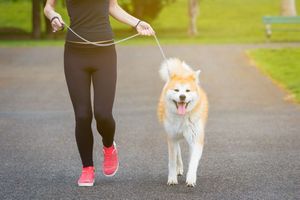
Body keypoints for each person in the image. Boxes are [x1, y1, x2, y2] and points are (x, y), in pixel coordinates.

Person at [44, 0, 155, 187]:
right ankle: (87, 168)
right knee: (82, 115)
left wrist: (136, 23)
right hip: (75, 54)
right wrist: (53, 16)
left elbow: (112, 6)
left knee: (103, 114)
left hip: (104, 54)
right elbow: (48, 6)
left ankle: (109, 146)